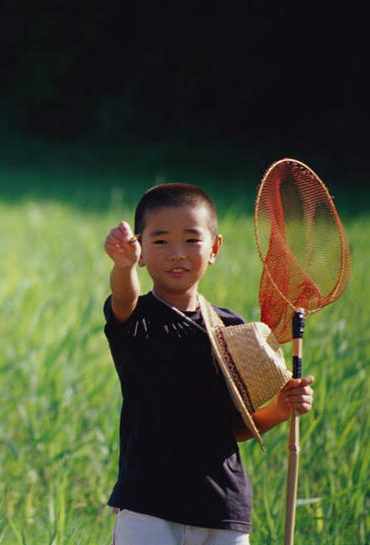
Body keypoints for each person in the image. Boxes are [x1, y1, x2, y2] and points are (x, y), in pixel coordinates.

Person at [102, 183, 314, 544]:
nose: (176, 254)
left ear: (214, 249)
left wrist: (280, 409)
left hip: (223, 509)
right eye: (160, 241)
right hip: (149, 506)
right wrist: (122, 268)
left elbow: (233, 429)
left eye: (191, 240)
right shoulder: (137, 319)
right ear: (139, 251)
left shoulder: (230, 329)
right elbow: (124, 296)